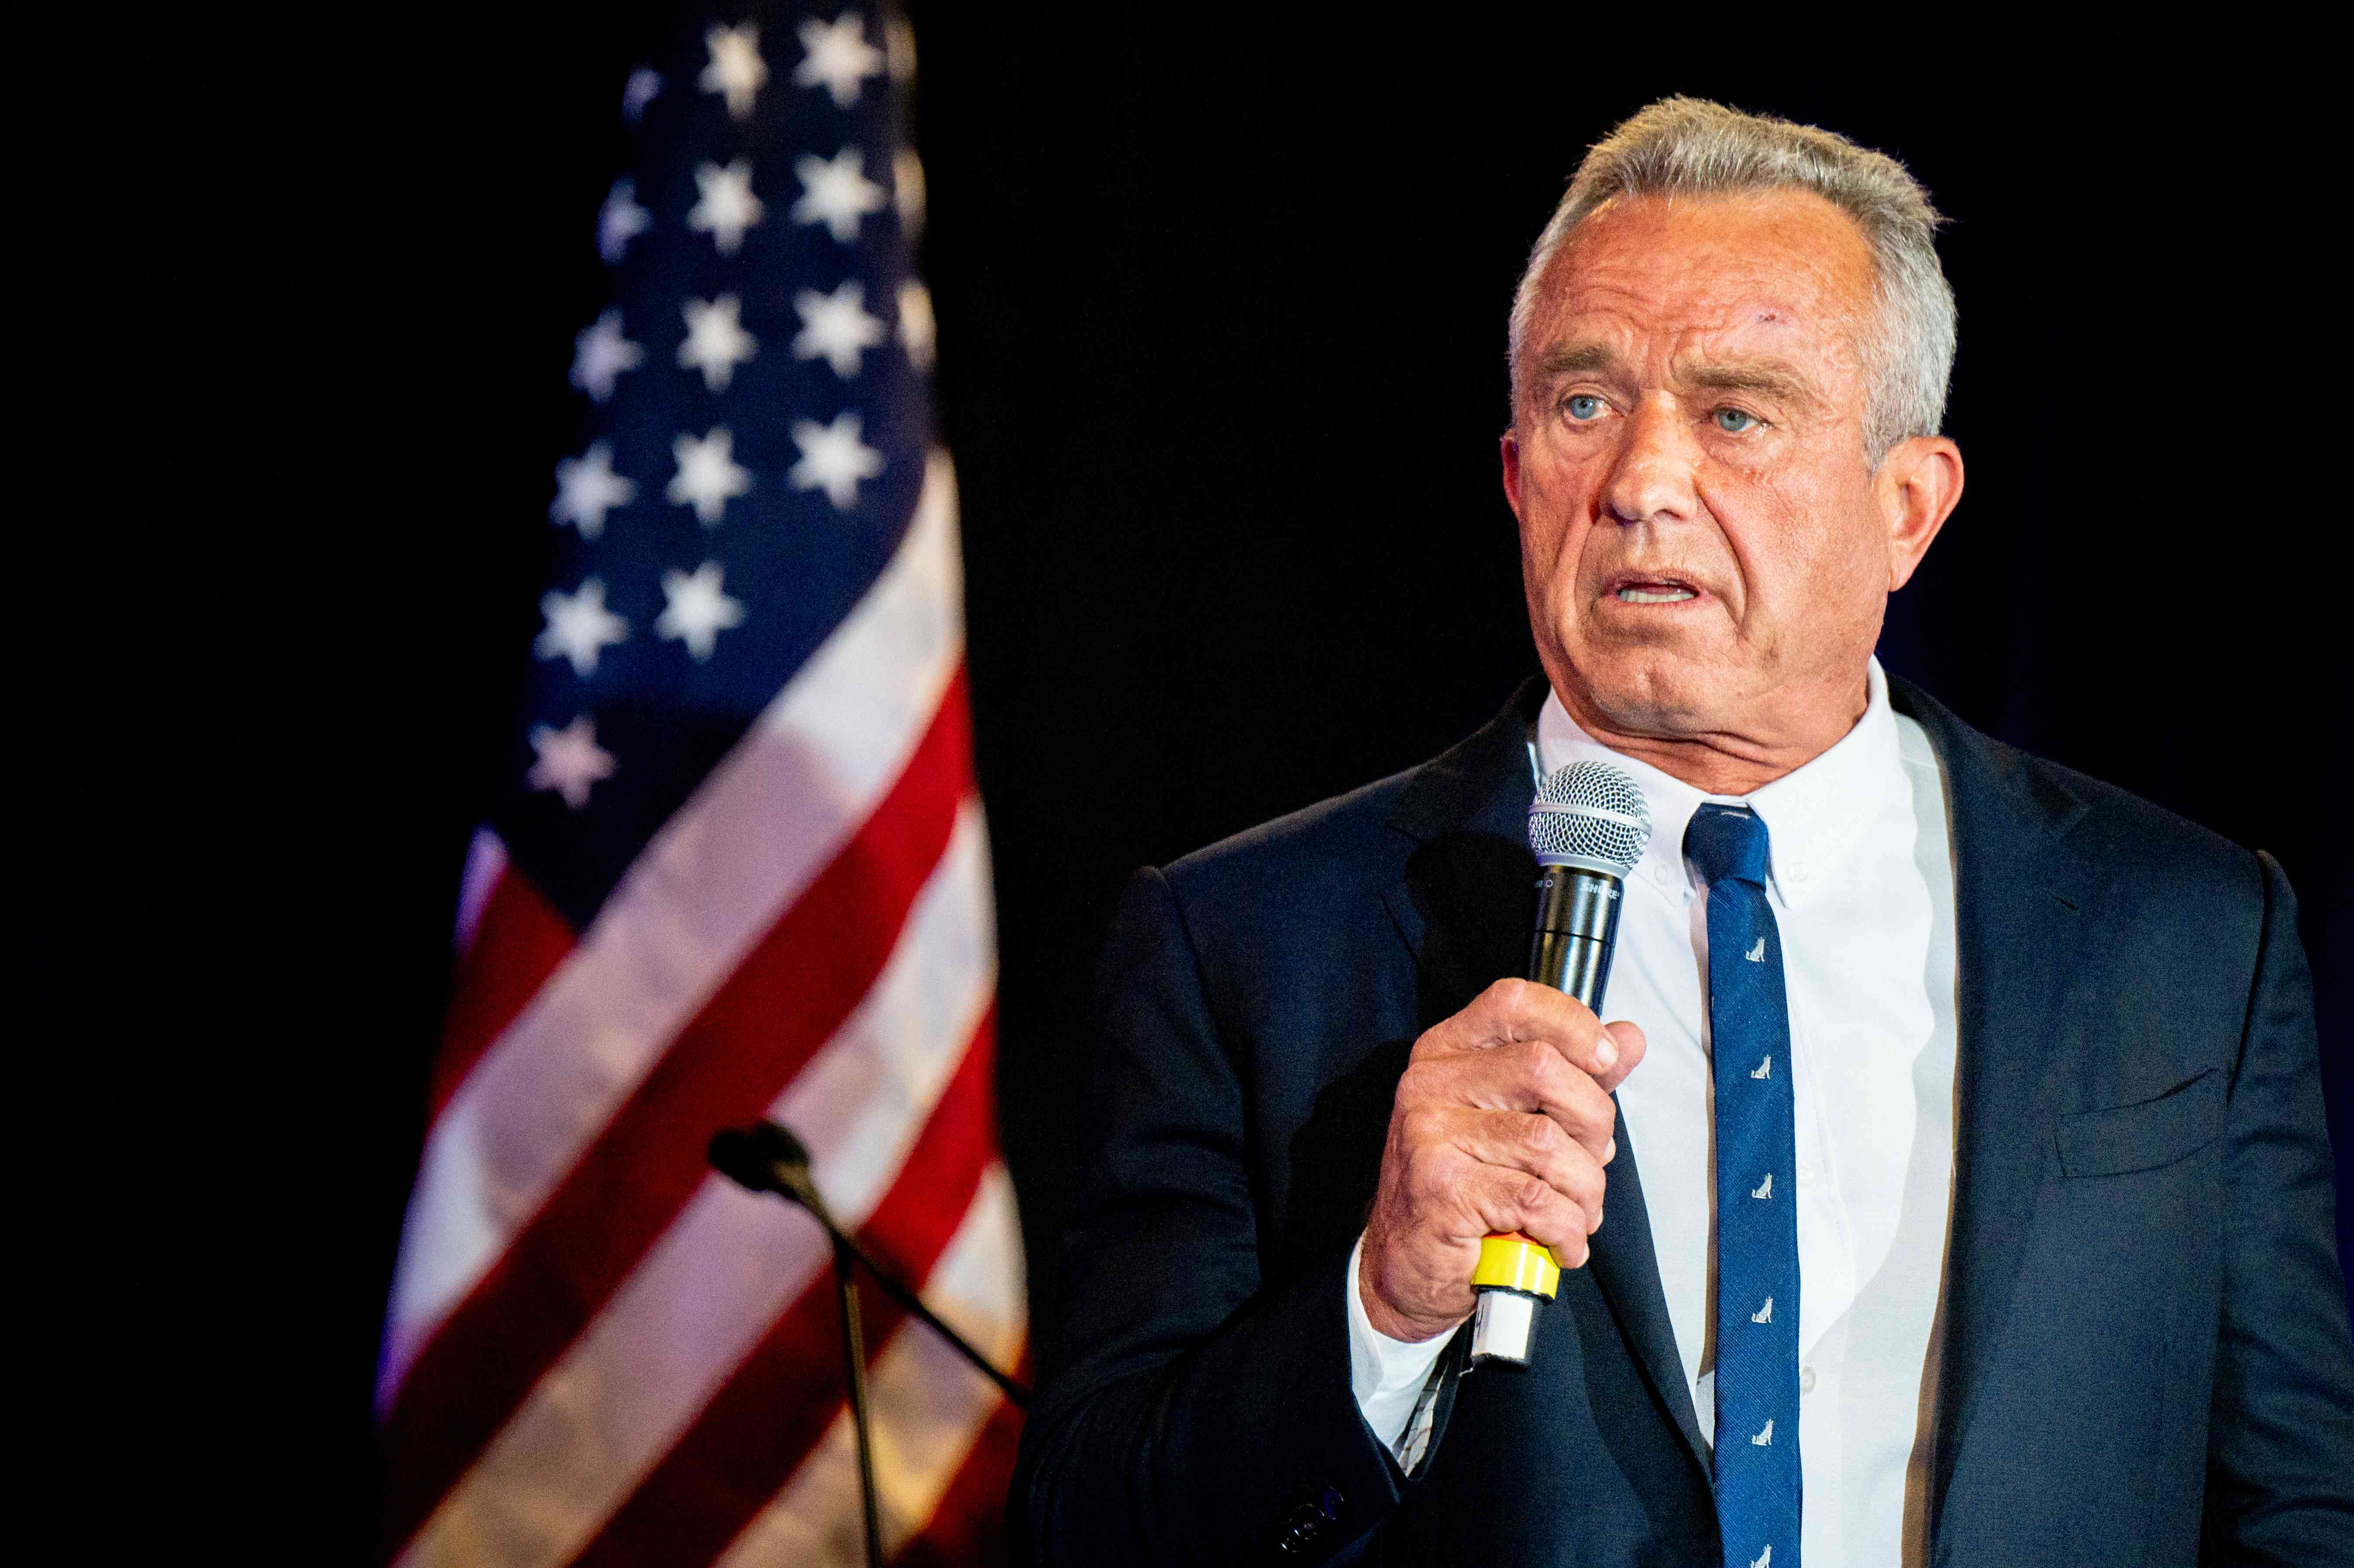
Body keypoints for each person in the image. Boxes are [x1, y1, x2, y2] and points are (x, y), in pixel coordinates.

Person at [1008, 98, 2354, 1566]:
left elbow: (2296, 1505)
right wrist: (1383, 1310)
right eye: (1585, 407)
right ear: (1519, 480)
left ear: (1909, 508)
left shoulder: (2186, 931)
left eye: (1736, 413)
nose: (1642, 484)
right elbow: (1094, 1532)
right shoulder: (1245, 947)